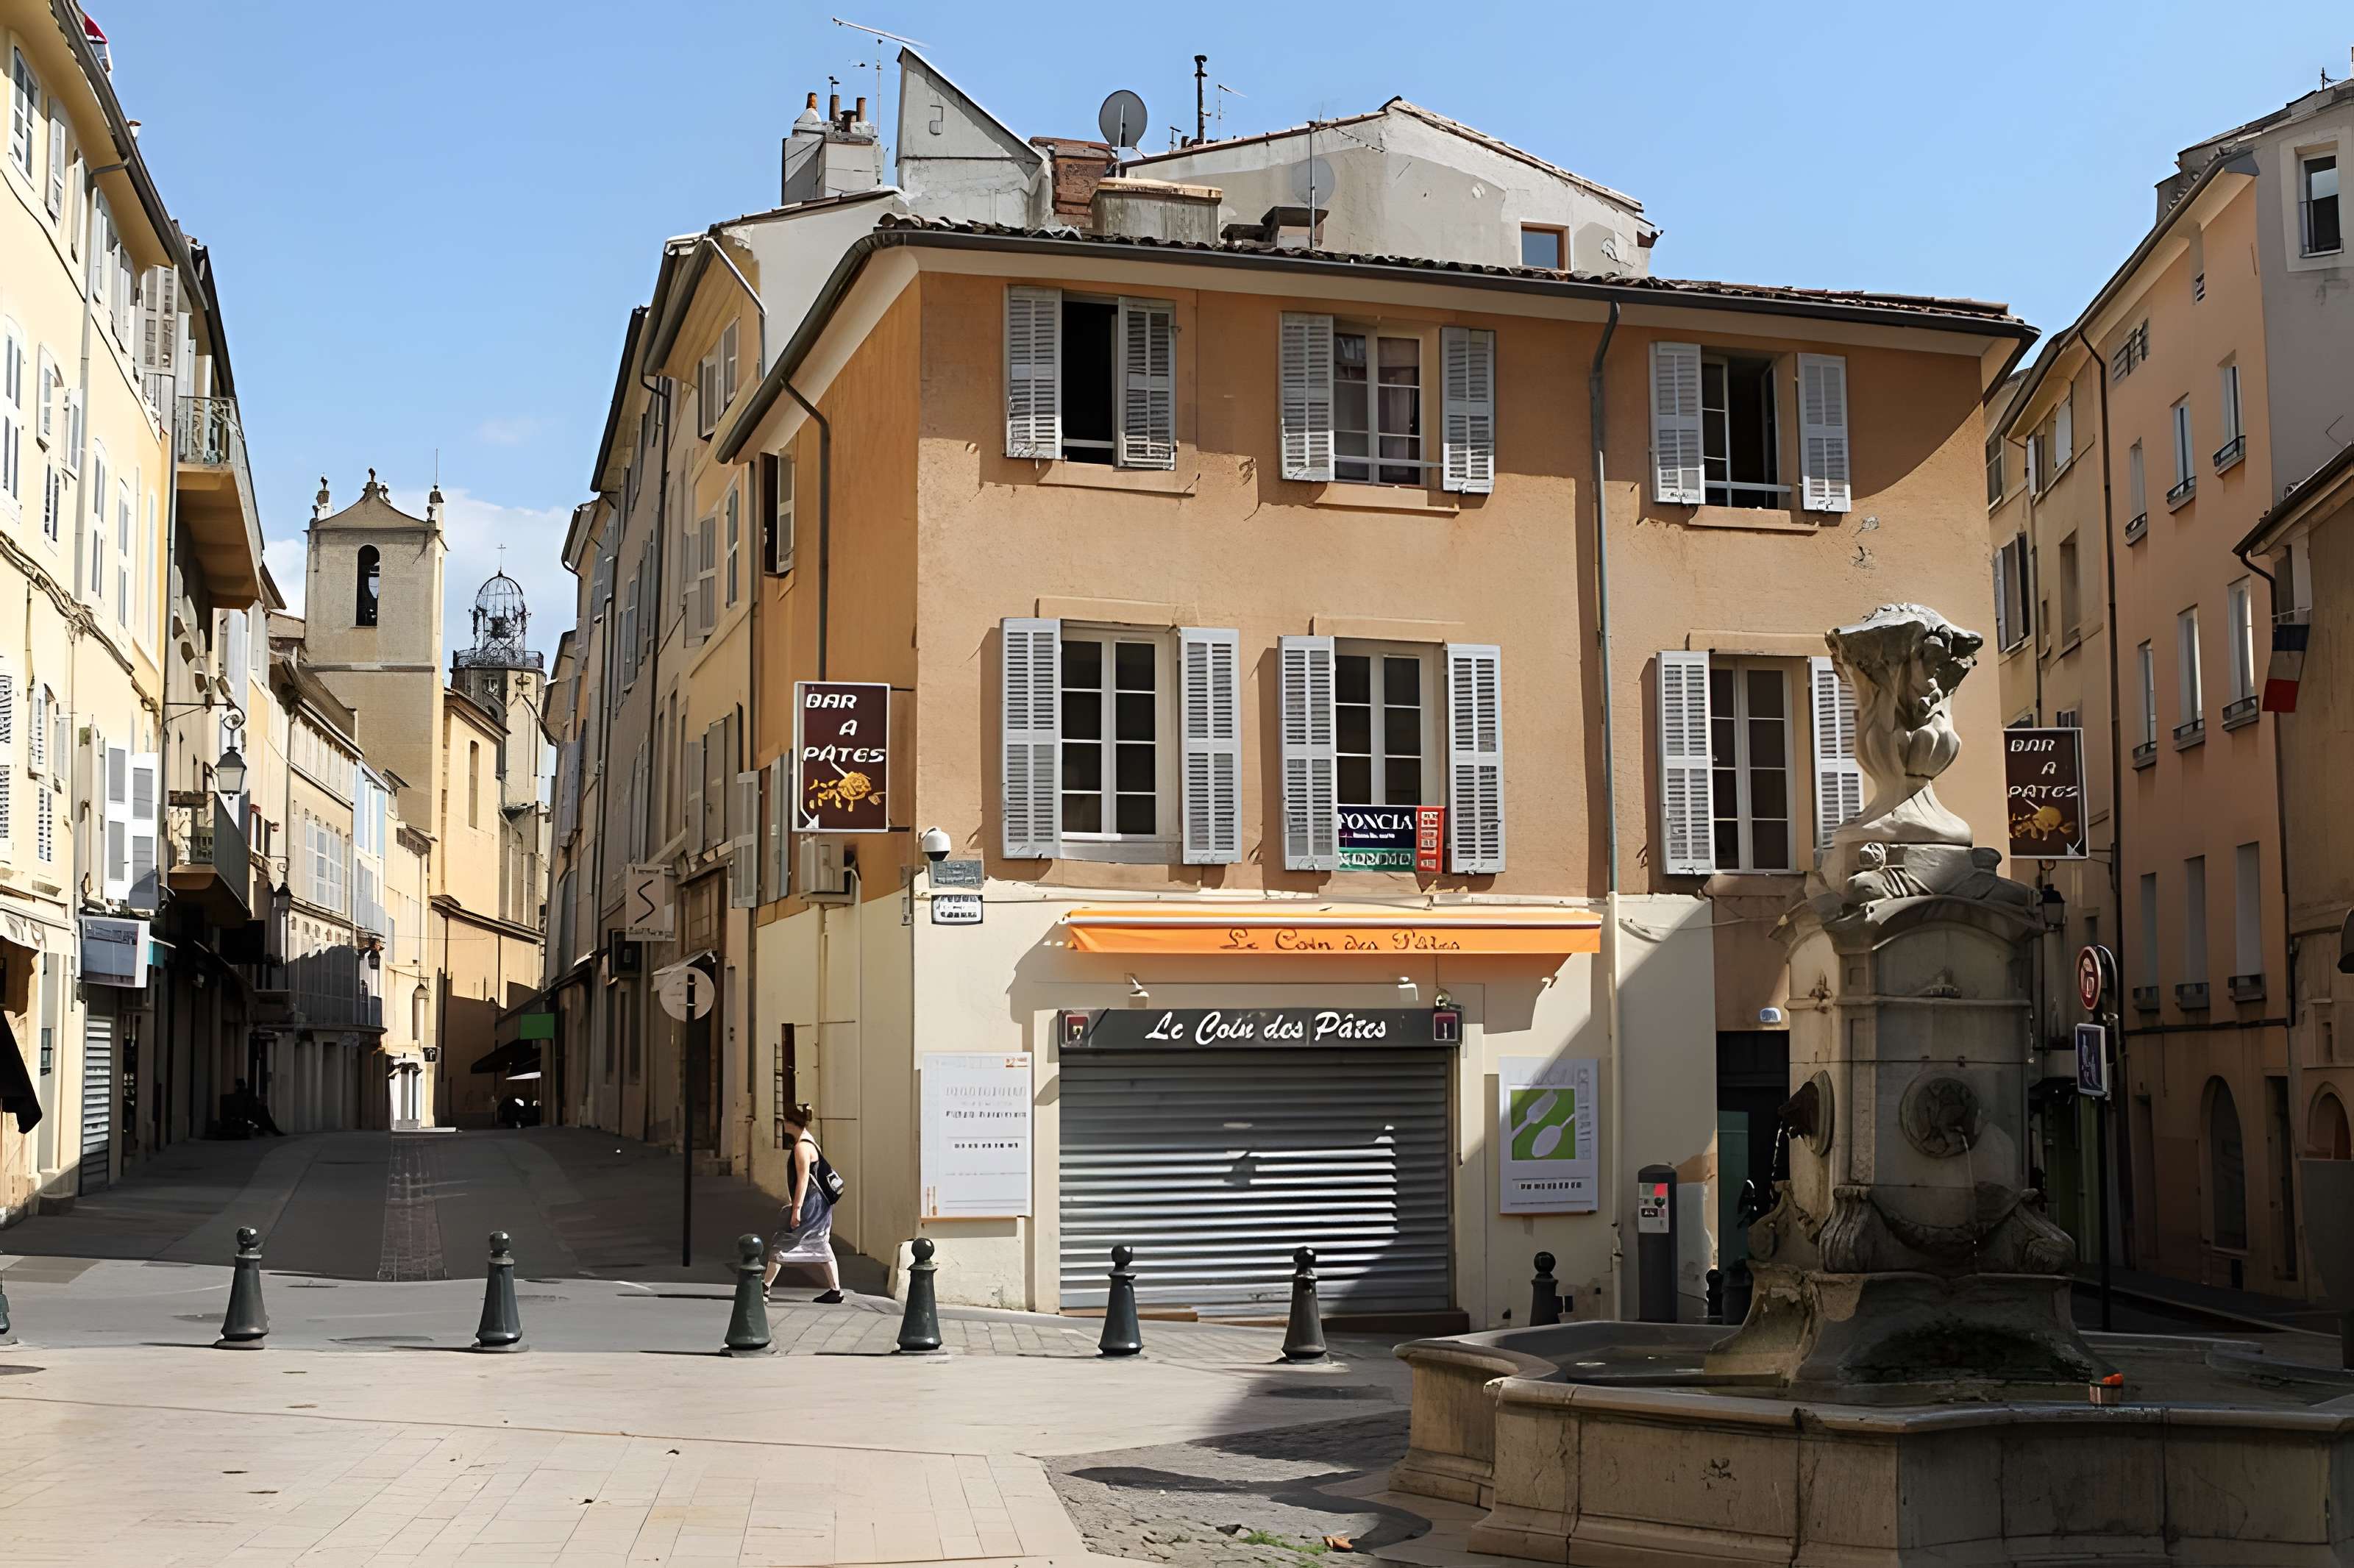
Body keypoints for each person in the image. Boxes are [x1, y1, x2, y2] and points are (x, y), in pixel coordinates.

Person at [764, 1104, 842, 1303]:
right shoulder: (810, 1141)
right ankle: (835, 1290)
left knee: (783, 1242)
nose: (783, 1126)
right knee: (821, 1243)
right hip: (821, 1204)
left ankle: (764, 1288)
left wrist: (796, 1209)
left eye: (785, 1123)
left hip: (812, 1204)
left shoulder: (801, 1147)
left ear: (792, 1124)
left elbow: (803, 1180)